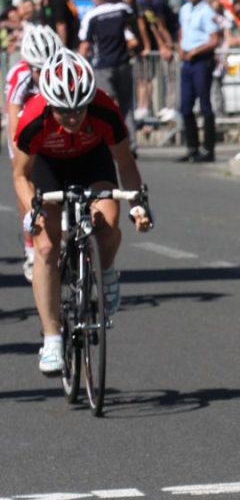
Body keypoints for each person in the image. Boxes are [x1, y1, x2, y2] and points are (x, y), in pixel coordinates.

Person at [11, 50, 152, 374]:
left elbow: (126, 165)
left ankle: (105, 271)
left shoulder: (105, 111)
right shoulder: (33, 118)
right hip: (48, 168)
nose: (73, 117)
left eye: (79, 109)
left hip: (92, 162)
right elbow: (20, 175)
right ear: (49, 103)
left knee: (108, 222)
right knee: (46, 246)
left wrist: (138, 205)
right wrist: (32, 212)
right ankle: (51, 339)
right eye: (63, 110)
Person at [7, 25, 63, 281]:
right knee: (23, 178)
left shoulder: (65, 67)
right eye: (38, 70)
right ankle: (31, 245)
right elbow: (13, 122)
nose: (43, 75)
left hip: (54, 130)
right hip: (26, 128)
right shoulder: (19, 75)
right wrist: (19, 160)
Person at [79, 0, 139, 153]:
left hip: (102, 65)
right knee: (126, 105)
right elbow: (134, 27)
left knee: (106, 106)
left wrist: (79, 67)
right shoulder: (122, 9)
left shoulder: (92, 15)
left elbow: (85, 43)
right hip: (123, 63)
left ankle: (109, 142)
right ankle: (131, 143)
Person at [176, 0, 222, 162]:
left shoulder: (206, 11)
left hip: (201, 60)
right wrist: (181, 48)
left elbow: (214, 39)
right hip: (187, 60)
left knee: (205, 105)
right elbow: (182, 32)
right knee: (185, 107)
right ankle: (192, 147)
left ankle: (208, 149)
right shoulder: (184, 9)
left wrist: (195, 51)